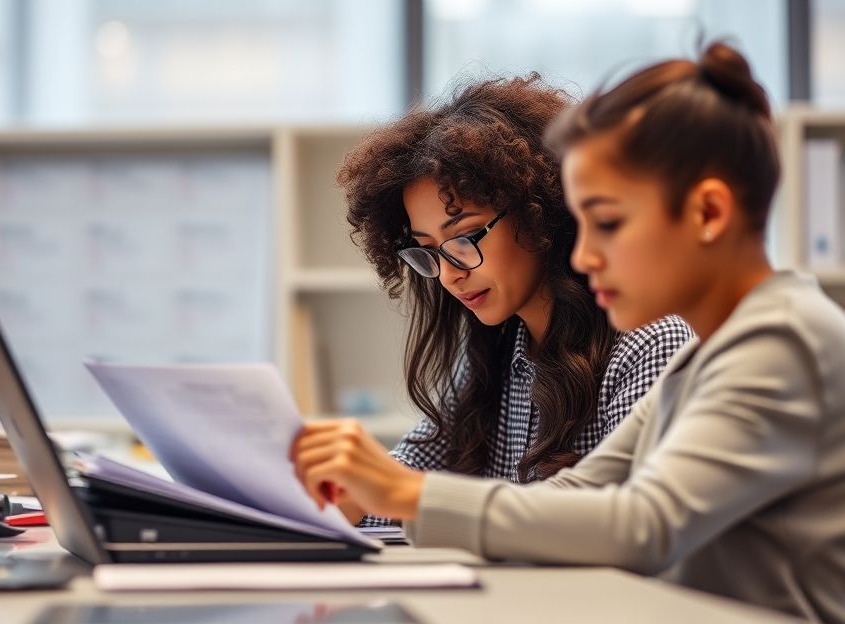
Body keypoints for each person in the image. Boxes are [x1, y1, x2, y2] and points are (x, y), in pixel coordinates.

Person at [291, 42, 845, 622]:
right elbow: (579, 496)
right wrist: (387, 491)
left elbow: (641, 524)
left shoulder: (782, 340)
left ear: (708, 213)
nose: (582, 253)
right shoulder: (712, 354)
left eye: (605, 223)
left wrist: (407, 493)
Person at [332, 75, 691, 526]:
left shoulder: (647, 344)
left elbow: (629, 528)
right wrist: (348, 495)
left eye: (464, 238)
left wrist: (396, 496)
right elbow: (401, 483)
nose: (448, 273)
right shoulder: (496, 349)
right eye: (427, 250)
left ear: (539, 210)